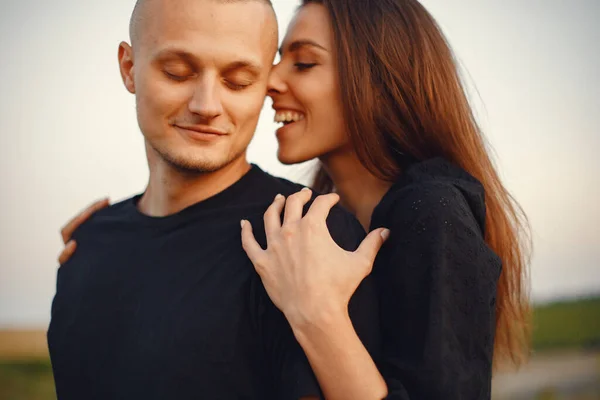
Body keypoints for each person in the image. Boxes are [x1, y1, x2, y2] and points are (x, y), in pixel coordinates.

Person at [59, 0, 532, 399]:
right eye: (177, 71)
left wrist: (316, 313)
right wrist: (115, 243)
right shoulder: (316, 218)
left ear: (375, 80)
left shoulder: (428, 210)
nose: (272, 82)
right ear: (129, 68)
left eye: (301, 63)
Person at [47, 0, 383, 399]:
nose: (206, 106)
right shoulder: (86, 246)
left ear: (265, 87)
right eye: (177, 72)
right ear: (129, 67)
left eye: (238, 81)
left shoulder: (306, 237)